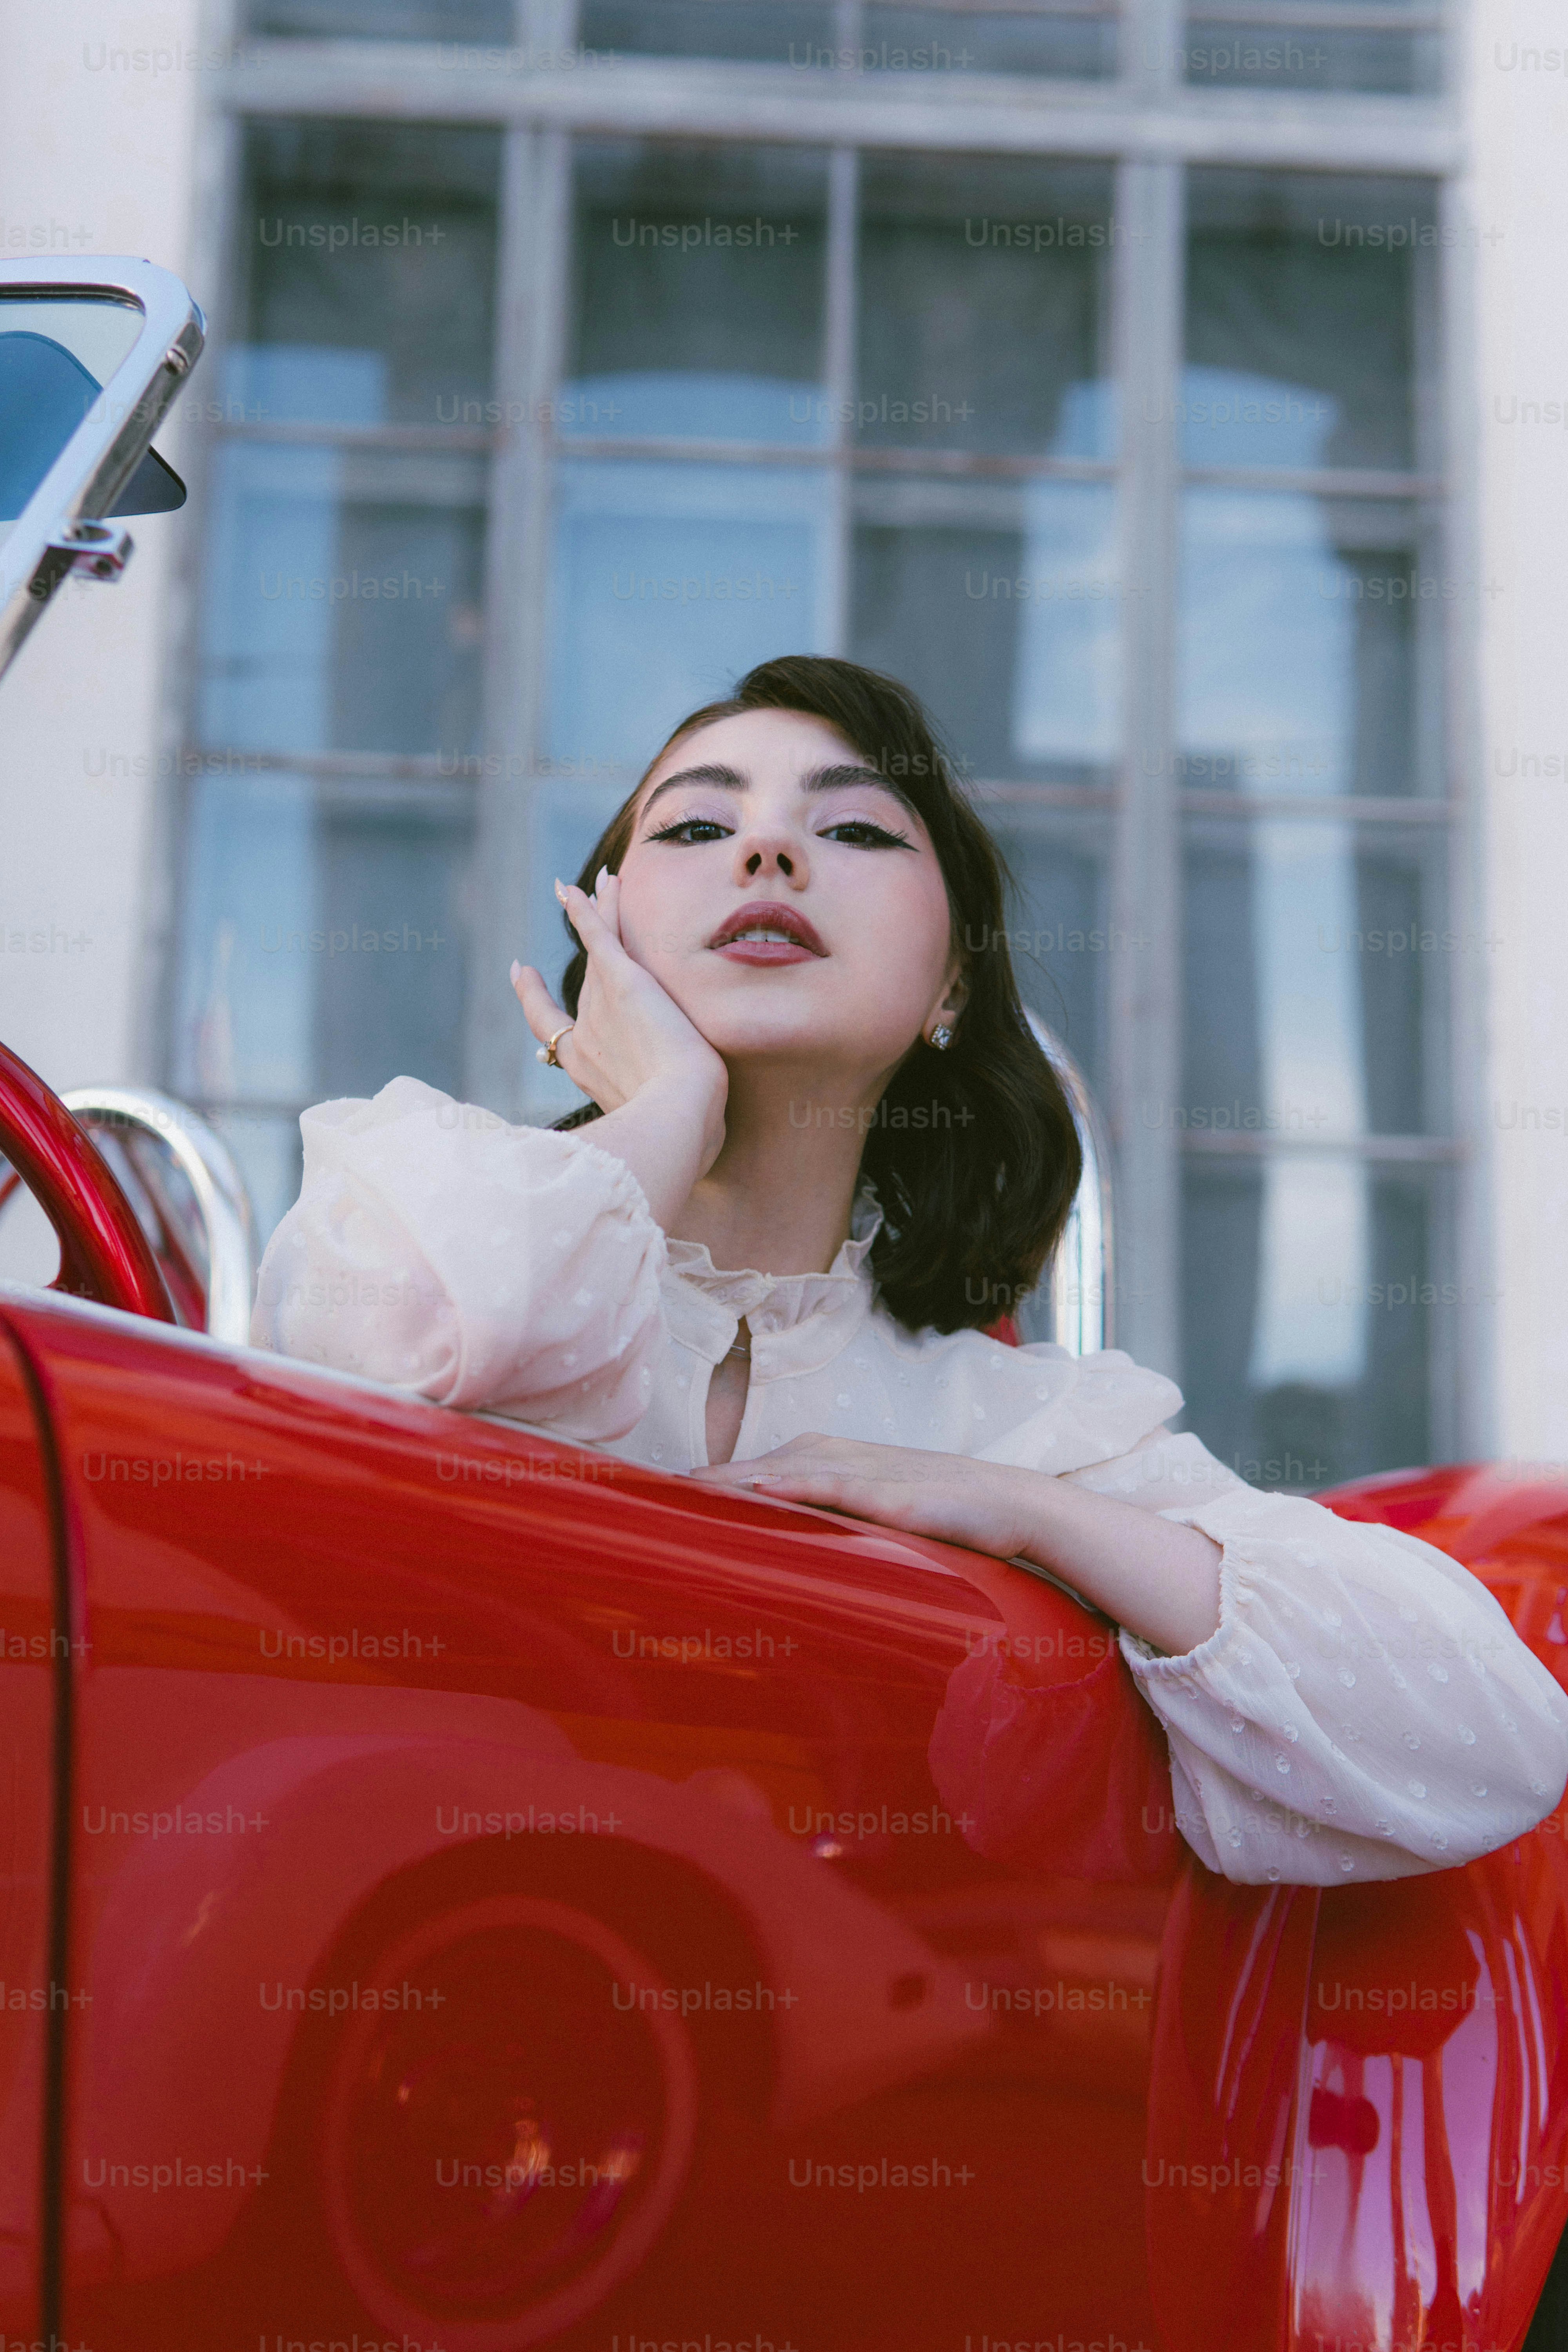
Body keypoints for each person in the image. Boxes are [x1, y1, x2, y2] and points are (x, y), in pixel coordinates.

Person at [250, 655, 1568, 1886]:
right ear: (608, 947)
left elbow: (1490, 1738)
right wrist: (667, 1105)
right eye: (699, 830)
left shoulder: (1028, 1429)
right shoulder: (415, 1178)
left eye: (859, 831)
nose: (768, 850)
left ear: (949, 987)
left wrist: (1022, 1513)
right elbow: (403, 1361)